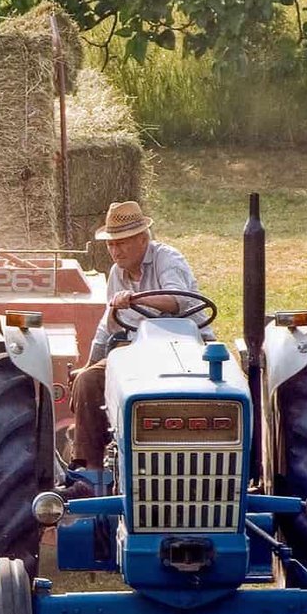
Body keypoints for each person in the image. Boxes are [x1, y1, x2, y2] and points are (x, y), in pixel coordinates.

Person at [70, 200, 211, 470]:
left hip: (188, 349)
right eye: (111, 244)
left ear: (143, 239)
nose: (115, 250)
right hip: (137, 353)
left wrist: (135, 299)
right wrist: (89, 364)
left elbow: (177, 300)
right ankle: (91, 473)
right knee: (88, 381)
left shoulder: (167, 259)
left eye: (122, 242)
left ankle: (241, 466)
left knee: (232, 384)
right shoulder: (116, 273)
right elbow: (105, 326)